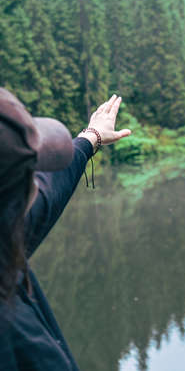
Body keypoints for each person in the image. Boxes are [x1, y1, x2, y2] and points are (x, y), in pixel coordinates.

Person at [0, 88, 131, 370]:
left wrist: (92, 137)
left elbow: (50, 189)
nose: (36, 183)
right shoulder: (18, 342)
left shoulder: (5, 241)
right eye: (29, 175)